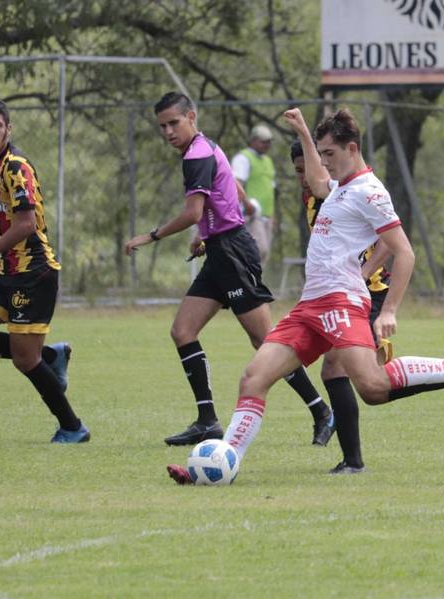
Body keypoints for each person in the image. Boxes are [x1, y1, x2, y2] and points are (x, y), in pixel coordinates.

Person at [167, 107, 444, 484]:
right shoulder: (341, 188)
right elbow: (317, 182)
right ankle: (222, 464)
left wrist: (389, 310)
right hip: (310, 305)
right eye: (322, 154)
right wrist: (301, 132)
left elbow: (404, 251)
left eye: (330, 154)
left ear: (351, 148)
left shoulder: (370, 191)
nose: (325, 162)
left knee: (373, 387)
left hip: (341, 302)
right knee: (254, 378)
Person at [124, 92, 334, 447]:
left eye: (174, 123)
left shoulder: (197, 155)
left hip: (234, 253)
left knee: (267, 342)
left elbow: (193, 211)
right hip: (220, 250)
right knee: (183, 330)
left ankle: (321, 412)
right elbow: (232, 189)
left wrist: (151, 235)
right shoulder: (206, 147)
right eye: (162, 127)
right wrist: (208, 234)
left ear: (191, 117)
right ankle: (207, 421)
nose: (168, 132)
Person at [288, 140, 444, 474]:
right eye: (299, 170)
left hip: (367, 292)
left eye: (311, 166)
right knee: (352, 380)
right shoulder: (317, 195)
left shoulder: (354, 189)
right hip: (334, 296)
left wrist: (365, 272)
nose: (305, 175)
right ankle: (352, 459)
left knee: (359, 380)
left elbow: (391, 240)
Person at [0, 99, 88, 443]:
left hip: (34, 273)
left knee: (24, 360)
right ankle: (50, 355)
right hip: (6, 272)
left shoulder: (16, 167)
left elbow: (26, 225)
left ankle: (73, 427)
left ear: (8, 129)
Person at [232, 124, 276, 263]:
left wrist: (272, 216)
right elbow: (235, 184)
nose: (266, 144)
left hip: (266, 216)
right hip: (251, 215)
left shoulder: (268, 161)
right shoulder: (243, 158)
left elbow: (270, 190)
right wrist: (246, 204)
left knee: (263, 255)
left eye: (268, 141)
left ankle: (254, 284)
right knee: (257, 251)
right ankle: (245, 282)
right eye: (263, 141)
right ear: (253, 140)